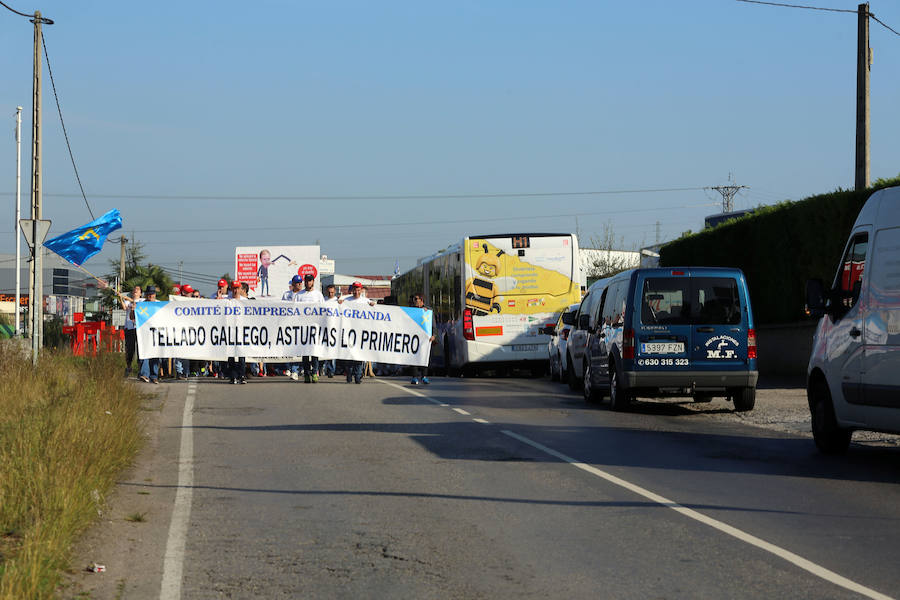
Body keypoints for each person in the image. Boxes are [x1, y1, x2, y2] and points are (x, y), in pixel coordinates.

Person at [340, 281, 376, 384]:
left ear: (361, 290)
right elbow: (338, 303)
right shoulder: (346, 300)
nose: (356, 291)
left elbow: (374, 308)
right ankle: (349, 374)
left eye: (358, 289)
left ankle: (358, 375)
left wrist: (373, 305)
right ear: (352, 290)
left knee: (359, 355)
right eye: (355, 289)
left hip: (360, 332)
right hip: (349, 331)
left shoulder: (365, 301)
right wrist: (339, 302)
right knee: (349, 355)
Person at [292, 274, 325, 382]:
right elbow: (294, 309)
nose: (308, 283)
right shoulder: (299, 295)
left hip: (315, 327)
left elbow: (324, 309)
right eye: (306, 281)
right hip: (303, 328)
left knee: (314, 352)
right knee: (305, 353)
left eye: (310, 281)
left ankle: (315, 372)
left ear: (313, 282)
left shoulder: (318, 295)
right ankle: (306, 373)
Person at [409, 293, 437, 385]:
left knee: (425, 357)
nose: (414, 301)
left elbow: (433, 325)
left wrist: (434, 335)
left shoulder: (428, 311)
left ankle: (424, 376)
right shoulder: (412, 310)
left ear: (421, 300)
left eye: (416, 299)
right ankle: (414, 377)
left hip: (425, 338)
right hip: (414, 337)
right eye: (414, 299)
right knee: (414, 357)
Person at [282, 275, 304, 379]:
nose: (299, 284)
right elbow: (282, 307)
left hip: (299, 324)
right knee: (287, 346)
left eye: (300, 282)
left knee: (297, 348)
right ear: (293, 284)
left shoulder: (304, 294)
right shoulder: (287, 294)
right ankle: (288, 367)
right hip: (288, 323)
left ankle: (295, 370)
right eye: (297, 282)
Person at [138, 286, 161, 384]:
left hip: (156, 333)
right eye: (148, 294)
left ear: (155, 295)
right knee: (144, 354)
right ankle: (144, 374)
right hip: (144, 333)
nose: (150, 295)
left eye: (152, 294)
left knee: (155, 355)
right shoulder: (140, 305)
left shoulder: (160, 304)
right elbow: (132, 317)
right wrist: (133, 309)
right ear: (145, 295)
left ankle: (154, 376)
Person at [227, 281, 247, 384]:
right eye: (234, 288)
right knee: (231, 356)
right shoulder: (227, 300)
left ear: (240, 289)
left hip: (242, 331)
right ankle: (233, 376)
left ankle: (242, 376)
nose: (235, 290)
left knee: (241, 355)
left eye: (237, 288)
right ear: (231, 289)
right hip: (230, 331)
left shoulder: (245, 301)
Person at [121, 285, 142, 377]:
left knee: (140, 350)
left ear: (140, 293)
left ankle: (140, 369)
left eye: (137, 290)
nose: (135, 291)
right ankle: (128, 367)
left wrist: (131, 301)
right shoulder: (127, 301)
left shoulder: (142, 301)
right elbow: (124, 308)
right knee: (130, 349)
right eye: (134, 290)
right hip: (129, 328)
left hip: (140, 328)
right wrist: (120, 298)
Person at [320, 284, 339, 378]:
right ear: (326, 292)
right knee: (322, 349)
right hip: (323, 327)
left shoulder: (338, 301)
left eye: (332, 292)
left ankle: (331, 370)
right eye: (329, 292)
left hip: (334, 328)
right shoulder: (322, 300)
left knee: (332, 350)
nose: (330, 293)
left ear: (334, 291)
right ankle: (321, 368)